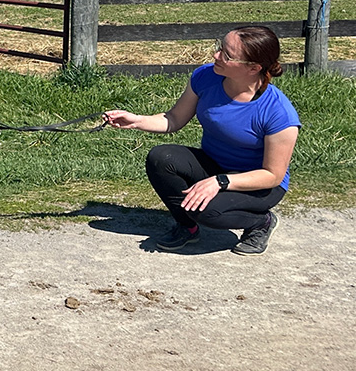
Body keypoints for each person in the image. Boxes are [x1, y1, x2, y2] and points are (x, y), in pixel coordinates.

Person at [104, 26, 300, 256]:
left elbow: (272, 175)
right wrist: (136, 120)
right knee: (161, 158)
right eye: (219, 48)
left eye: (226, 55)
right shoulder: (206, 76)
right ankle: (187, 227)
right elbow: (174, 118)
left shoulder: (279, 113)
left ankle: (260, 222)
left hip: (258, 185)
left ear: (253, 68)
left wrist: (221, 182)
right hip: (215, 165)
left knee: (207, 211)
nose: (216, 56)